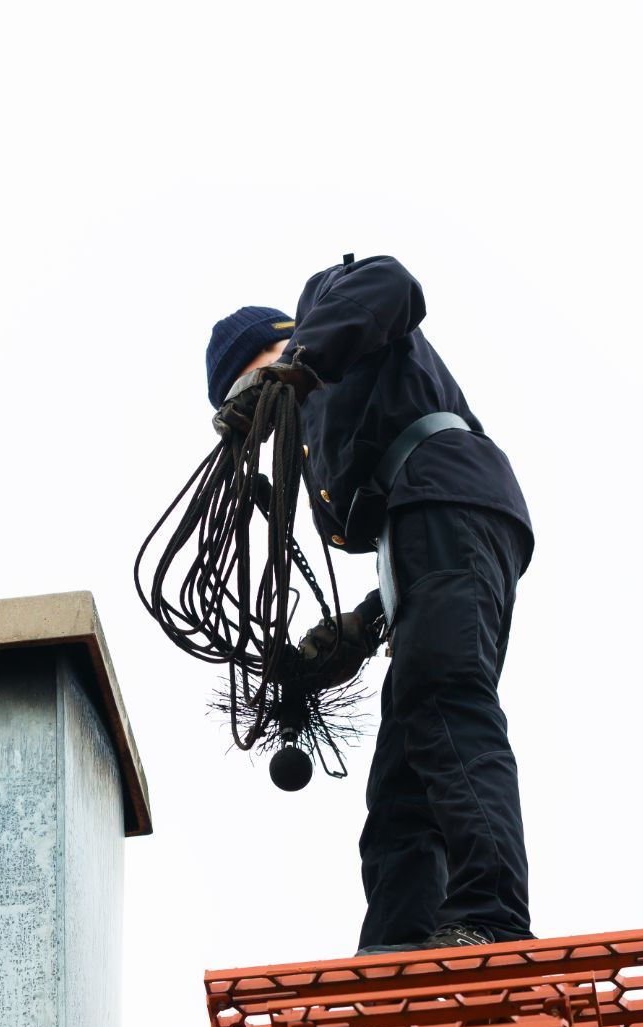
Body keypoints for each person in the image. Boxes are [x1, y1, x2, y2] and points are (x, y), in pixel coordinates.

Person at [204, 255, 535, 952]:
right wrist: (362, 626)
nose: (261, 415)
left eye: (248, 387)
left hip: (449, 493)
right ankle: (395, 953)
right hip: (427, 527)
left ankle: (490, 918)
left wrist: (296, 365)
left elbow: (394, 282)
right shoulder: (323, 438)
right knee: (400, 779)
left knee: (445, 701)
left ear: (267, 352)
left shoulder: (326, 311)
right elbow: (409, 535)